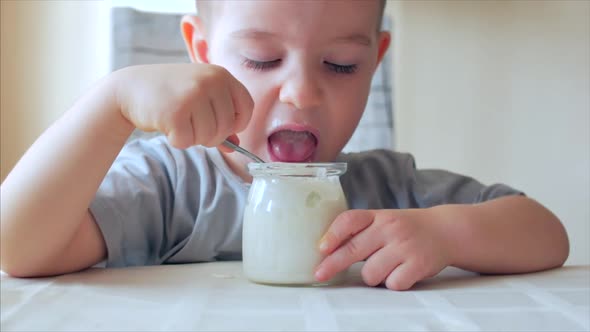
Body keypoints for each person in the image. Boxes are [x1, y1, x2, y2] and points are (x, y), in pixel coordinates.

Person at [0, 0, 569, 291]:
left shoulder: (387, 193)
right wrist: (111, 104)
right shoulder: (169, 186)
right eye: (263, 60)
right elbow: (16, 247)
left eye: (341, 64)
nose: (300, 91)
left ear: (376, 59)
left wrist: (445, 233)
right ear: (201, 51)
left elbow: (547, 233)